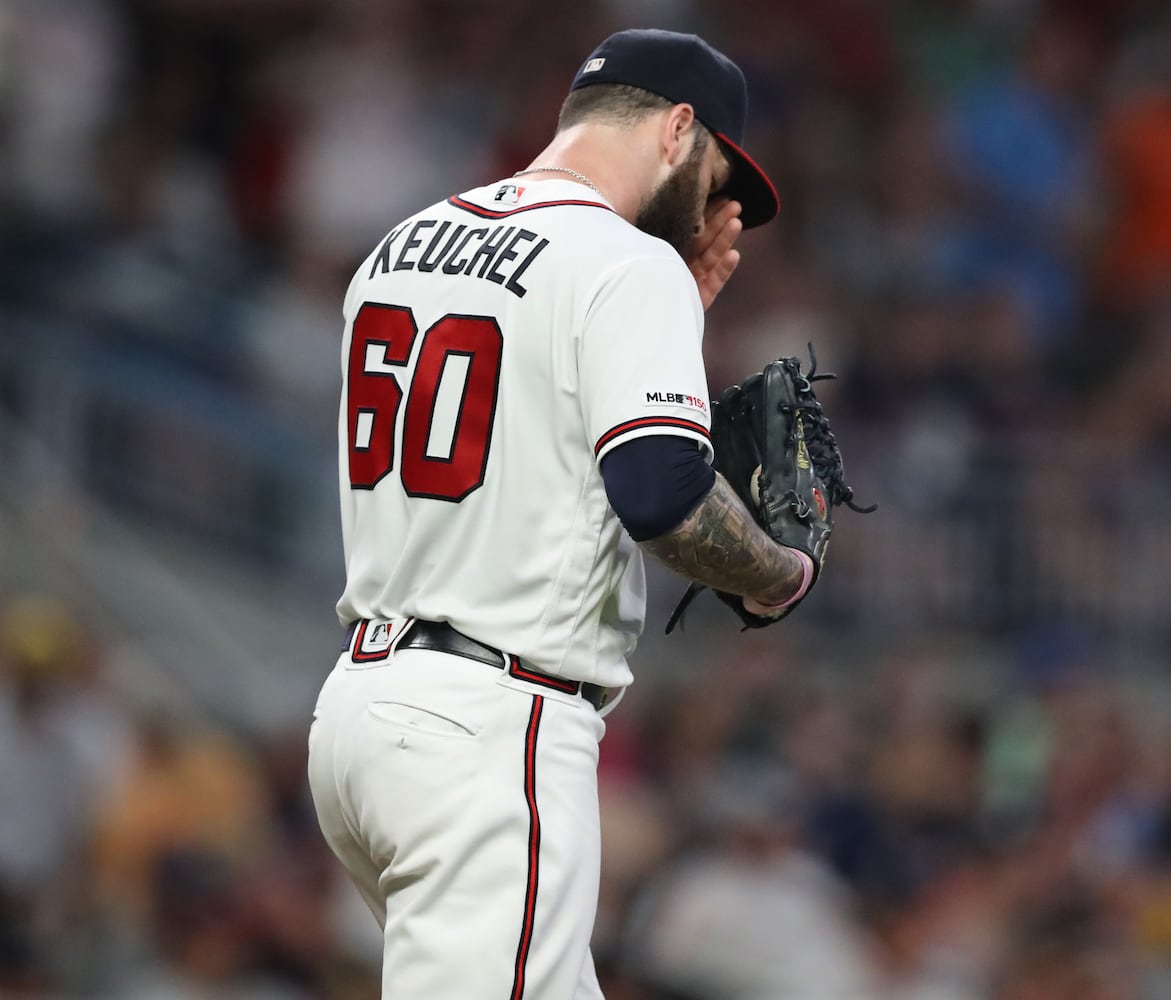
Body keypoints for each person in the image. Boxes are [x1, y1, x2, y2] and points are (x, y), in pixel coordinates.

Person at [307, 28, 814, 999]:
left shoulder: (401, 244)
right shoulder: (626, 265)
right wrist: (775, 573)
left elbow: (531, 420)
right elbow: (661, 496)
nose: (719, 204)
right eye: (718, 170)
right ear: (676, 130)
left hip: (364, 716)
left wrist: (669, 321)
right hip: (491, 731)